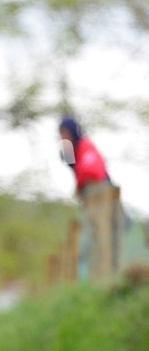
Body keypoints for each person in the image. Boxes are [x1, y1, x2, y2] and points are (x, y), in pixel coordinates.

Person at [59, 116, 122, 278]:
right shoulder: (72, 148)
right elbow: (72, 165)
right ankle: (100, 276)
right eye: (60, 133)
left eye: (65, 132)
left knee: (102, 235)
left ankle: (107, 276)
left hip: (100, 192)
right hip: (92, 195)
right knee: (93, 236)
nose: (62, 136)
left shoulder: (85, 145)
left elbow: (92, 172)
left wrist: (79, 184)